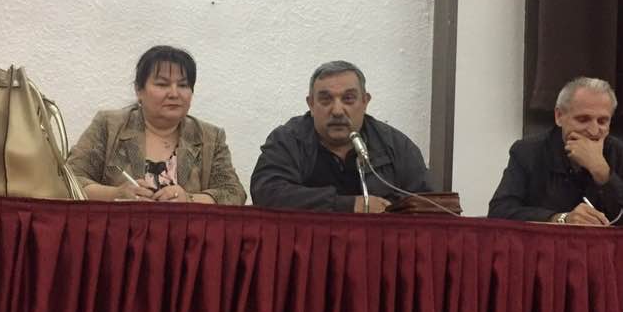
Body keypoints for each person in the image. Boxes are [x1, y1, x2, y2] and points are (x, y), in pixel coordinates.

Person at [67, 45, 246, 204]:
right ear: (139, 90)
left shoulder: (210, 137)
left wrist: (189, 199)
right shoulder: (109, 126)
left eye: (183, 85)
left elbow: (233, 193)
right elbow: (68, 180)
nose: (174, 93)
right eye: (162, 84)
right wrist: (116, 194)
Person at [250, 60, 432, 212]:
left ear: (365, 101)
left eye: (348, 99)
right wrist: (348, 205)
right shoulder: (288, 140)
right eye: (326, 99)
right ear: (311, 104)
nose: (337, 110)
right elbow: (266, 192)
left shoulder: (396, 146)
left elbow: (428, 205)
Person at [487, 76, 623, 225]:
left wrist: (602, 172)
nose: (593, 131)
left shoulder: (620, 154)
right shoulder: (528, 152)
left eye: (602, 121)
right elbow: (499, 211)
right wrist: (560, 218)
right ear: (559, 116)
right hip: (546, 245)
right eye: (583, 119)